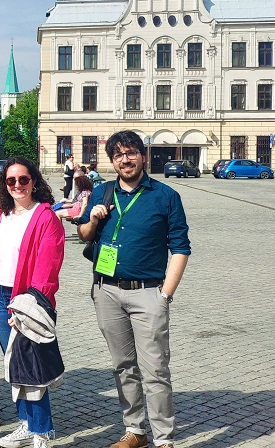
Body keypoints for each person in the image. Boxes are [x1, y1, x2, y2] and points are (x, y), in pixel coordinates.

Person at [76, 130, 190, 448]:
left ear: (143, 156)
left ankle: (164, 439)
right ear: (112, 161)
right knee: (123, 366)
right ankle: (135, 431)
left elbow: (180, 247)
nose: (125, 160)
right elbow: (84, 234)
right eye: (118, 155)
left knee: (154, 368)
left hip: (148, 293)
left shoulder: (166, 196)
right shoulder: (102, 192)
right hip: (107, 291)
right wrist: (94, 219)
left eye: (131, 153)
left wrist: (166, 294)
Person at [0, 158, 65, 448]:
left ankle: (42, 431)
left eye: (23, 179)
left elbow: (48, 267)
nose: (17, 185)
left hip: (27, 301)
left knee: (31, 367)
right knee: (14, 365)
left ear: (34, 181)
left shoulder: (45, 218)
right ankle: (26, 423)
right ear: (4, 185)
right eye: (11, 181)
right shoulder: (0, 213)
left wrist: (26, 306)